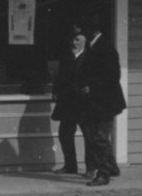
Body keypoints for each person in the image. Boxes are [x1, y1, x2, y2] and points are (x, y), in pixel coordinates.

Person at [78, 10, 127, 186]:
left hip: (106, 101)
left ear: (93, 30)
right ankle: (111, 166)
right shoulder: (93, 47)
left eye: (85, 30)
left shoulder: (105, 47)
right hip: (97, 101)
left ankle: (103, 173)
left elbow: (113, 76)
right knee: (97, 136)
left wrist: (92, 86)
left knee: (99, 137)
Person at [50, 24, 90, 174]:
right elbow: (60, 76)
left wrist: (90, 87)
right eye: (72, 39)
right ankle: (70, 165)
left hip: (84, 104)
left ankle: (91, 168)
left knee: (89, 136)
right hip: (68, 103)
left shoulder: (90, 57)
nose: (74, 43)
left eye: (78, 39)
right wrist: (56, 90)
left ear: (85, 41)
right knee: (65, 134)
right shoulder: (67, 57)